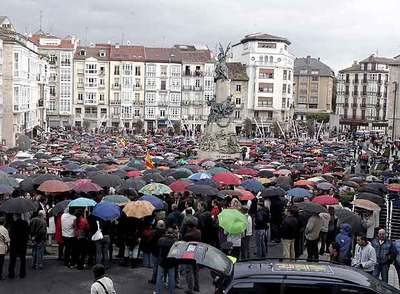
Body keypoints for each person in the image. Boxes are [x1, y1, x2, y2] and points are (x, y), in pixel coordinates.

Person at [155, 228, 177, 294]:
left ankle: (158, 292)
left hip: (162, 261)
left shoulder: (161, 240)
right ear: (173, 233)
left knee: (159, 277)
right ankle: (171, 292)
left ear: (166, 233)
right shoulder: (175, 241)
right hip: (171, 261)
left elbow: (157, 248)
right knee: (171, 277)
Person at [8, 214, 29, 279]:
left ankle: (11, 273)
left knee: (12, 259)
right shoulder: (25, 223)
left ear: (16, 216)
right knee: (23, 259)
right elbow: (27, 233)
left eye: (14, 216)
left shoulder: (13, 224)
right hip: (22, 243)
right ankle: (22, 273)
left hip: (14, 244)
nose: (13, 217)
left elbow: (11, 234)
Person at [182, 222, 201, 294]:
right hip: (197, 252)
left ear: (189, 227)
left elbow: (184, 240)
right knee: (196, 271)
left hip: (189, 254)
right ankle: (197, 286)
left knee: (189, 272)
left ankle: (190, 289)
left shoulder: (188, 235)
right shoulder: (199, 232)